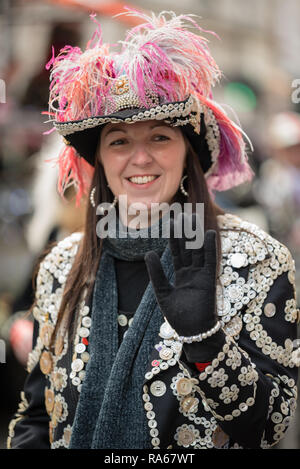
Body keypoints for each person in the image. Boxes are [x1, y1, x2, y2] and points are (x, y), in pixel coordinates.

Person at [7, 10, 300, 450]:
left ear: (188, 153)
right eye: (120, 140)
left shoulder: (258, 260)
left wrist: (207, 343)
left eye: (160, 137)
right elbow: (36, 418)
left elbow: (268, 429)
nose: (139, 159)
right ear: (101, 160)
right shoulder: (60, 266)